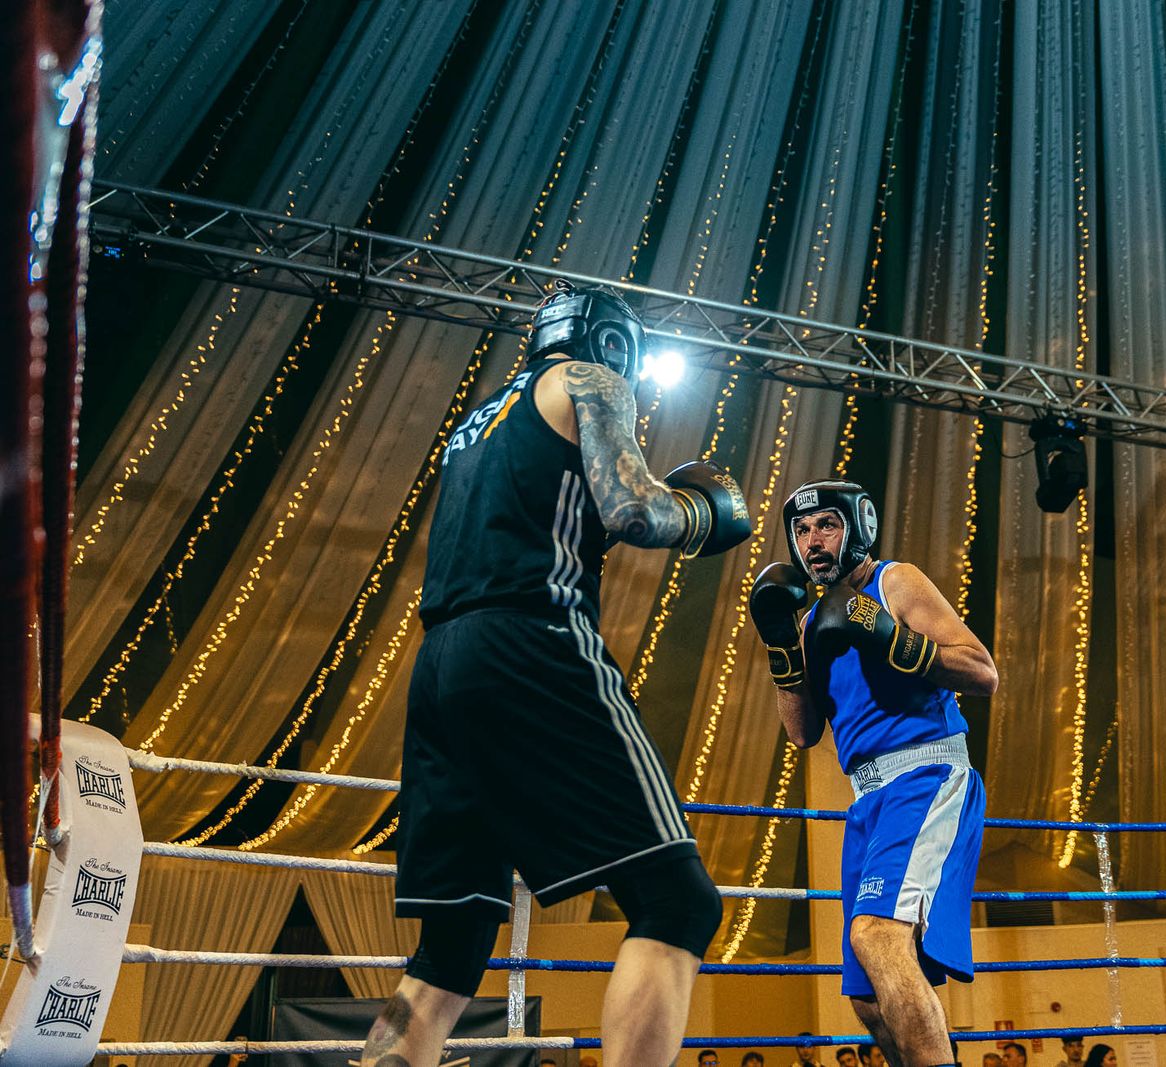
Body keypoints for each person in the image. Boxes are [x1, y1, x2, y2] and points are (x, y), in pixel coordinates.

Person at [359, 284, 752, 1066]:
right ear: (615, 345)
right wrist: (706, 512)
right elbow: (633, 509)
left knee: (450, 949)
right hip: (531, 639)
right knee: (679, 902)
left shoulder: (478, 420)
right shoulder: (589, 380)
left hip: (441, 668)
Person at [752, 481, 997, 1067]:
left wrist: (888, 634)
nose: (813, 541)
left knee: (877, 936)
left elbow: (981, 672)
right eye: (802, 531)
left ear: (858, 526)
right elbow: (802, 732)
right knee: (866, 998)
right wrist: (782, 647)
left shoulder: (896, 582)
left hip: (927, 773)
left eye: (827, 525)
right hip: (867, 800)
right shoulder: (811, 622)